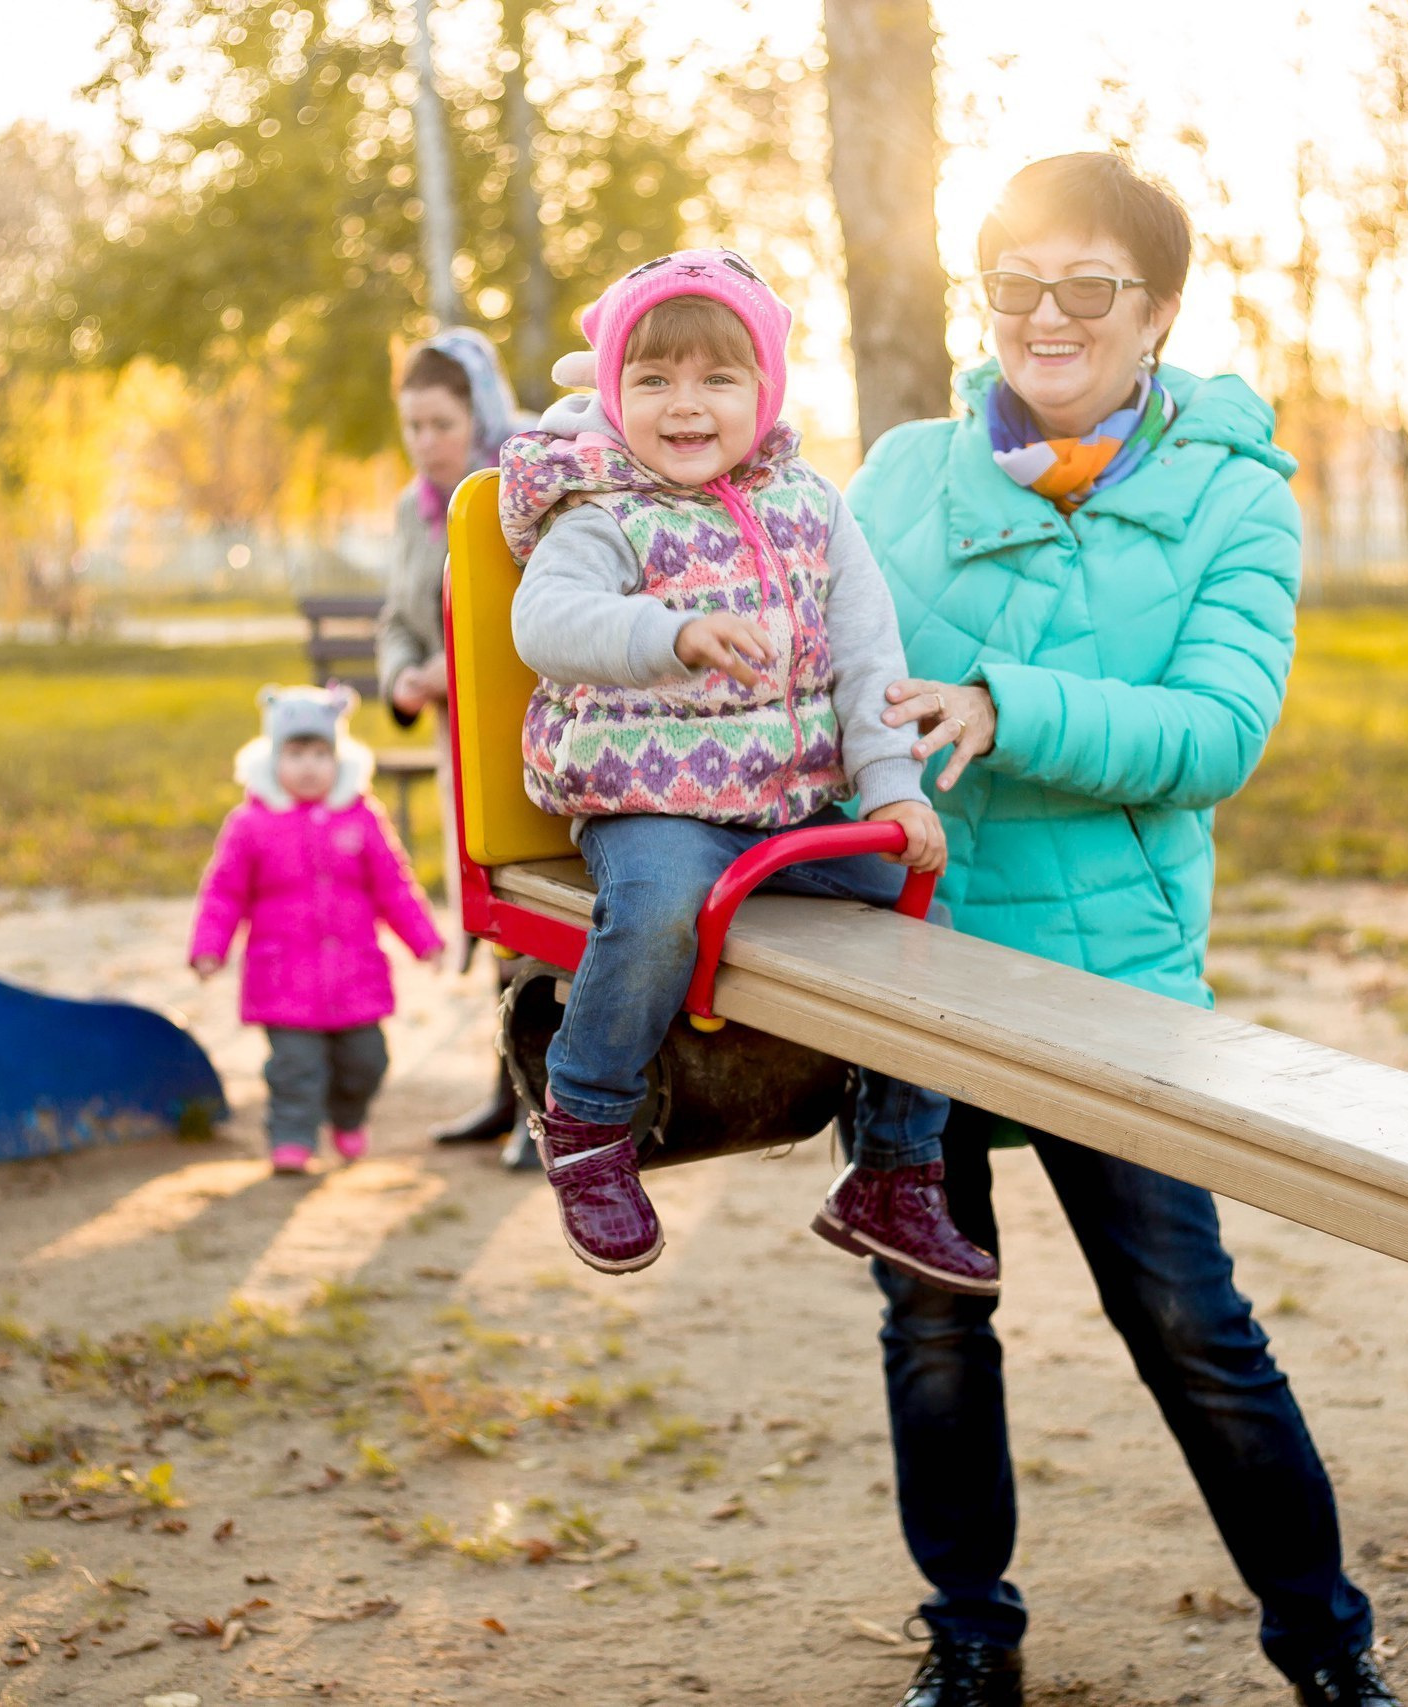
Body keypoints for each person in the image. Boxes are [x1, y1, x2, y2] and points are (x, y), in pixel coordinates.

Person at [844, 155, 1399, 1707]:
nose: (1046, 315)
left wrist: (996, 702)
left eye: (1087, 286)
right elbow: (812, 657)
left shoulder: (1232, 497)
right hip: (919, 957)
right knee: (936, 1321)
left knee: (1187, 1320)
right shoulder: (896, 475)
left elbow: (1215, 728)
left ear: (1156, 310)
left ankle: (1326, 1641)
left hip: (1115, 973)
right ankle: (970, 1636)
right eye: (1013, 282)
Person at [502, 248, 992, 1293]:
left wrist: (895, 794)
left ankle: (893, 1170)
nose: (685, 406)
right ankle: (586, 1118)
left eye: (717, 379)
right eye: (654, 379)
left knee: (927, 928)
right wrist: (666, 635)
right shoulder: (598, 507)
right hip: (648, 796)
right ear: (611, 391)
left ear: (763, 393)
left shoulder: (813, 509)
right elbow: (544, 622)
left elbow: (869, 662)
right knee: (661, 908)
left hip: (781, 807)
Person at [189, 685, 445, 1174]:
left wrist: (424, 940)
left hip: (355, 976)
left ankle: (348, 1116)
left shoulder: (363, 817)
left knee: (367, 1061)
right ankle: (291, 1136)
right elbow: (223, 893)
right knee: (295, 1067)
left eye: (320, 753)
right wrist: (209, 947)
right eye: (296, 753)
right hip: (283, 976)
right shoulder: (251, 824)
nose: (309, 766)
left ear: (339, 758)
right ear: (272, 760)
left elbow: (394, 886)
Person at [378, 328, 529, 1147]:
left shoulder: (525, 483)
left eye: (440, 423)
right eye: (413, 426)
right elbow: (395, 616)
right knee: (488, 909)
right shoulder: (414, 506)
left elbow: (542, 608)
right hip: (453, 742)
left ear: (477, 410)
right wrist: (406, 673)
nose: (427, 443)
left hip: (520, 737)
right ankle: (504, 1092)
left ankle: (551, 1106)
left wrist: (452, 665)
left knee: (533, 908)